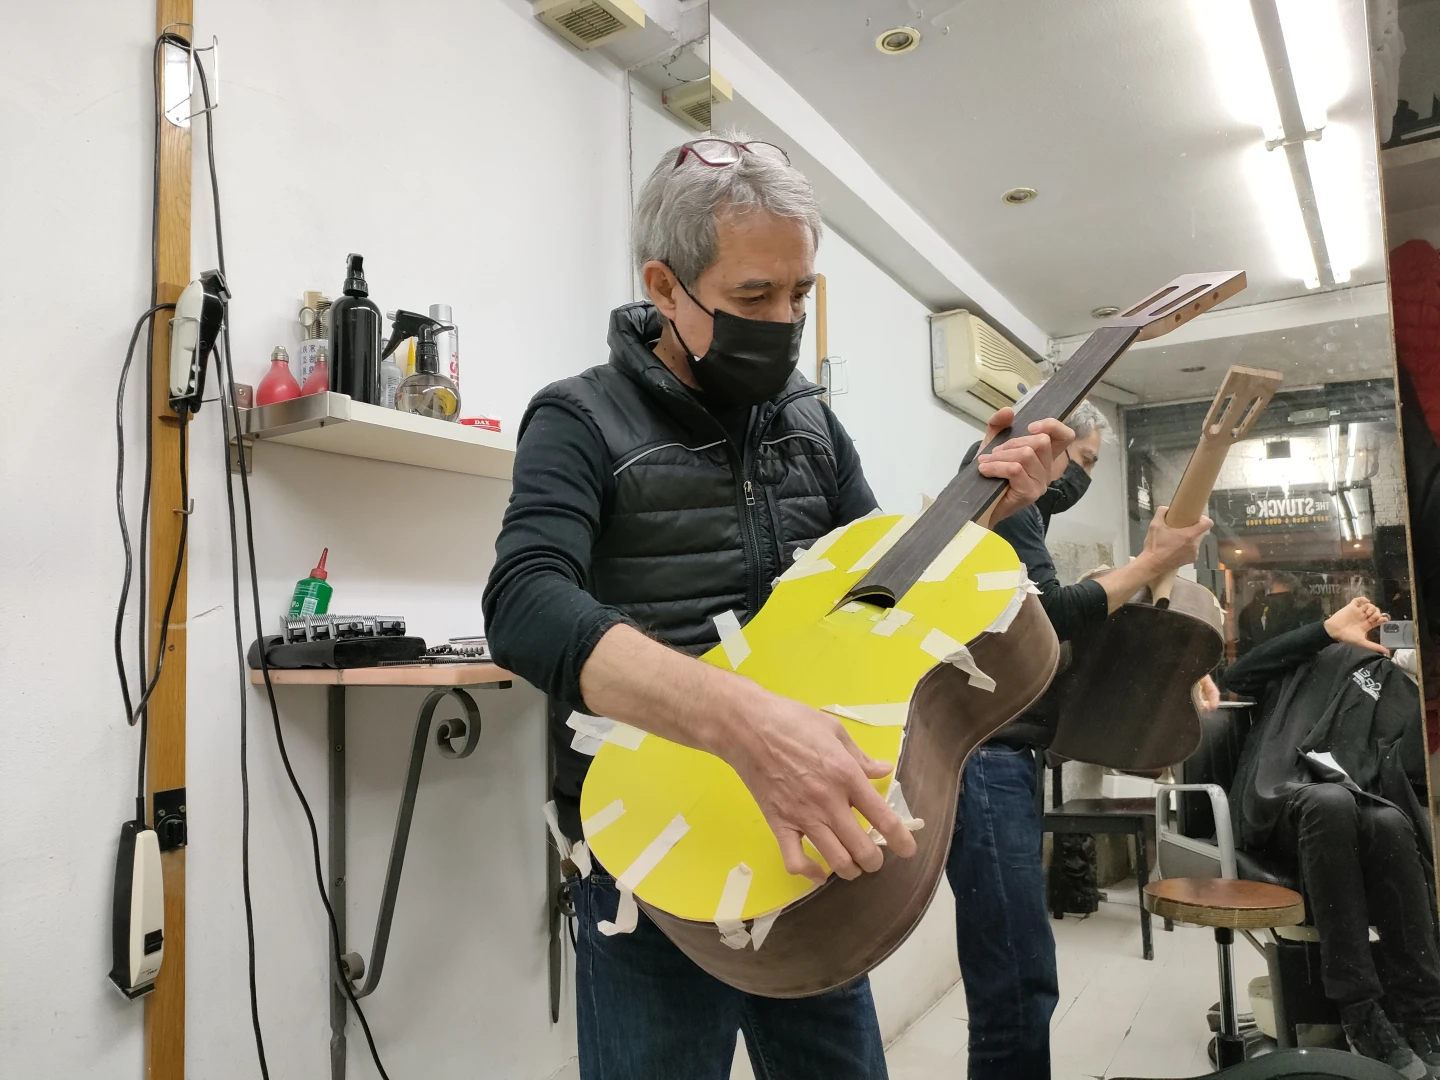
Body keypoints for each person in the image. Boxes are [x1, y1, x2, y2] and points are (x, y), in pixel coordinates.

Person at [481, 135, 1072, 1080]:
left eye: (800, 294)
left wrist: (982, 500)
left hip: (805, 839)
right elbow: (523, 602)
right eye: (754, 297)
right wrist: (741, 724)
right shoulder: (578, 417)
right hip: (651, 859)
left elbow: (876, 584)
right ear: (664, 287)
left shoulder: (810, 420)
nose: (786, 320)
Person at [947, 400, 1213, 1079]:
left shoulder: (1024, 513)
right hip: (985, 752)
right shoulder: (997, 501)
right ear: (1044, 440)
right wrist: (1152, 559)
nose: (1082, 480)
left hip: (1005, 749)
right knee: (1016, 972)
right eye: (1085, 461)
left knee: (1016, 966)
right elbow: (1053, 617)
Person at [1220, 596, 1440, 1078]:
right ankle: (1358, 1010)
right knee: (1330, 801)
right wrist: (1327, 633)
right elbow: (1234, 678)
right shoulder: (1297, 662)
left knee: (1389, 822)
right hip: (1281, 804)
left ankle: (1423, 1013)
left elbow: (1400, 771)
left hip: (1352, 814)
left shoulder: (1386, 681)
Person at [1237, 571, 1323, 656]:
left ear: (1270, 578)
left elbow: (1245, 649)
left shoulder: (1249, 610)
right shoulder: (1304, 607)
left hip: (1258, 665)